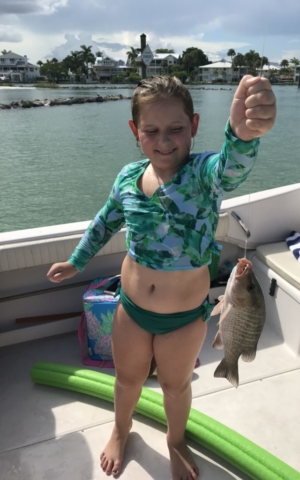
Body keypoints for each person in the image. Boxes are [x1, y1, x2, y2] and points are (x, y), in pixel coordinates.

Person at [47, 74, 276, 480]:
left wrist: (242, 135)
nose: (164, 140)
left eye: (176, 129)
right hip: (131, 310)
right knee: (126, 379)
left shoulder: (203, 175)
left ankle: (174, 439)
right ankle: (121, 428)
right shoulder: (127, 178)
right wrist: (76, 262)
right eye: (151, 130)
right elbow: (103, 224)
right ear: (136, 132)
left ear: (195, 126)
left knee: (175, 387)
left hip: (183, 318)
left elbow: (231, 168)